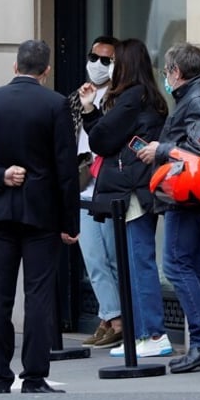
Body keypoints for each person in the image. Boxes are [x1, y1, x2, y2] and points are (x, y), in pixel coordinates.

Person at [0, 40, 80, 394]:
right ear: (46, 71)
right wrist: (70, 222)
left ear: (14, 67)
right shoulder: (56, 104)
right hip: (41, 214)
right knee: (39, 295)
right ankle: (34, 376)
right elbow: (66, 169)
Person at [79, 38, 171, 359]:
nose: (109, 67)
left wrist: (89, 111)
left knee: (138, 263)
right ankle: (143, 333)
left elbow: (102, 140)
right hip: (140, 187)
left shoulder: (132, 98)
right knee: (135, 262)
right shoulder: (149, 97)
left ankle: (151, 333)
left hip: (132, 190)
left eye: (114, 61)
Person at [135, 42, 200, 374]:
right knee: (199, 267)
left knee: (176, 266)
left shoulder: (196, 99)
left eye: (166, 72)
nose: (166, 78)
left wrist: (160, 149)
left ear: (176, 71)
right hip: (198, 195)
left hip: (185, 193)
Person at [70, 36, 124, 350]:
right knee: (93, 259)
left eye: (107, 60)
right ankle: (114, 319)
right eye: (95, 57)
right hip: (83, 188)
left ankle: (112, 320)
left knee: (114, 259)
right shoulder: (76, 96)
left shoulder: (120, 98)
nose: (99, 65)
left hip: (109, 187)